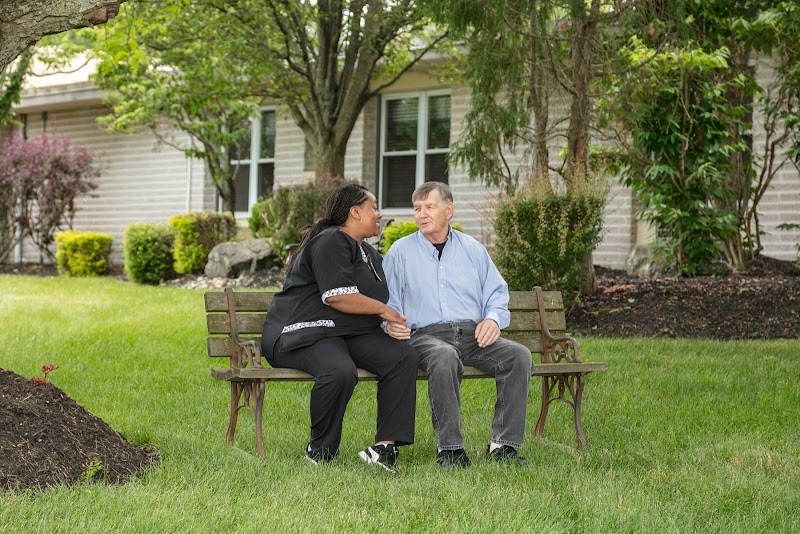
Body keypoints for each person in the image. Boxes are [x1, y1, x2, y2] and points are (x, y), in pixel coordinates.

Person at [261, 183, 418, 472]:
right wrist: (385, 311)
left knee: (402, 357)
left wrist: (390, 322)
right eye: (374, 208)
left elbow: (375, 300)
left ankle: (385, 447)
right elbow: (337, 296)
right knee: (339, 370)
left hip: (344, 333)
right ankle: (320, 451)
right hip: (301, 332)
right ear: (355, 212)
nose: (379, 214)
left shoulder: (367, 253)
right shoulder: (330, 240)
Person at [383, 182, 532, 468]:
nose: (422, 214)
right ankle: (450, 450)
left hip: (473, 335)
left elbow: (497, 294)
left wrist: (492, 319)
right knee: (443, 355)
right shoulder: (400, 253)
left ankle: (503, 446)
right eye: (417, 208)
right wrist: (390, 324)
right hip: (425, 337)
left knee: (518, 356)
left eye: (430, 207)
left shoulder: (473, 250)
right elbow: (388, 302)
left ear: (448, 210)